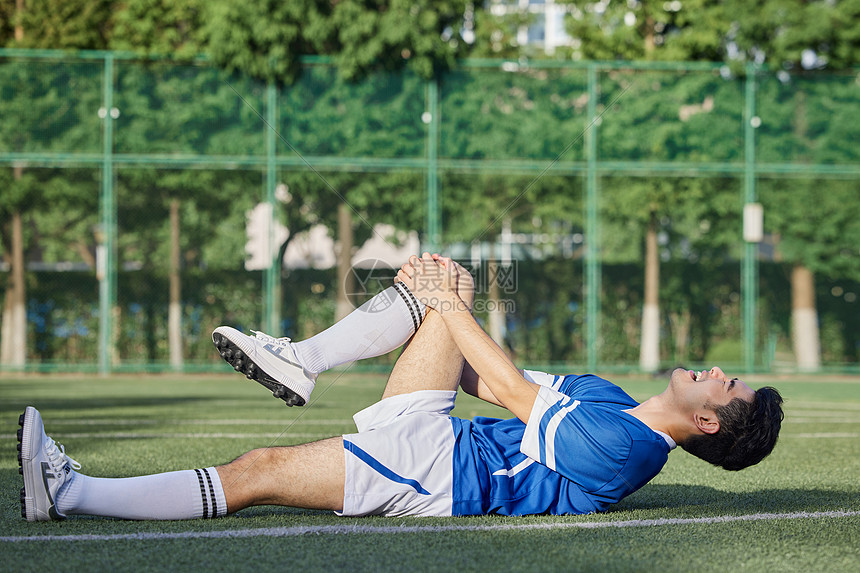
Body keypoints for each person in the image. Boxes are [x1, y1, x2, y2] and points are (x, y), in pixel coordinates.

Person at [17, 253, 784, 521]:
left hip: (443, 473)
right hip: (445, 437)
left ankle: (70, 492)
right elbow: (486, 376)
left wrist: (453, 306)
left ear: (711, 424)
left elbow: (515, 390)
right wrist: (445, 295)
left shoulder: (627, 449)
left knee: (258, 471)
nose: (717, 369)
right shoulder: (616, 400)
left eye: (728, 384)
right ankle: (303, 359)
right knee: (443, 276)